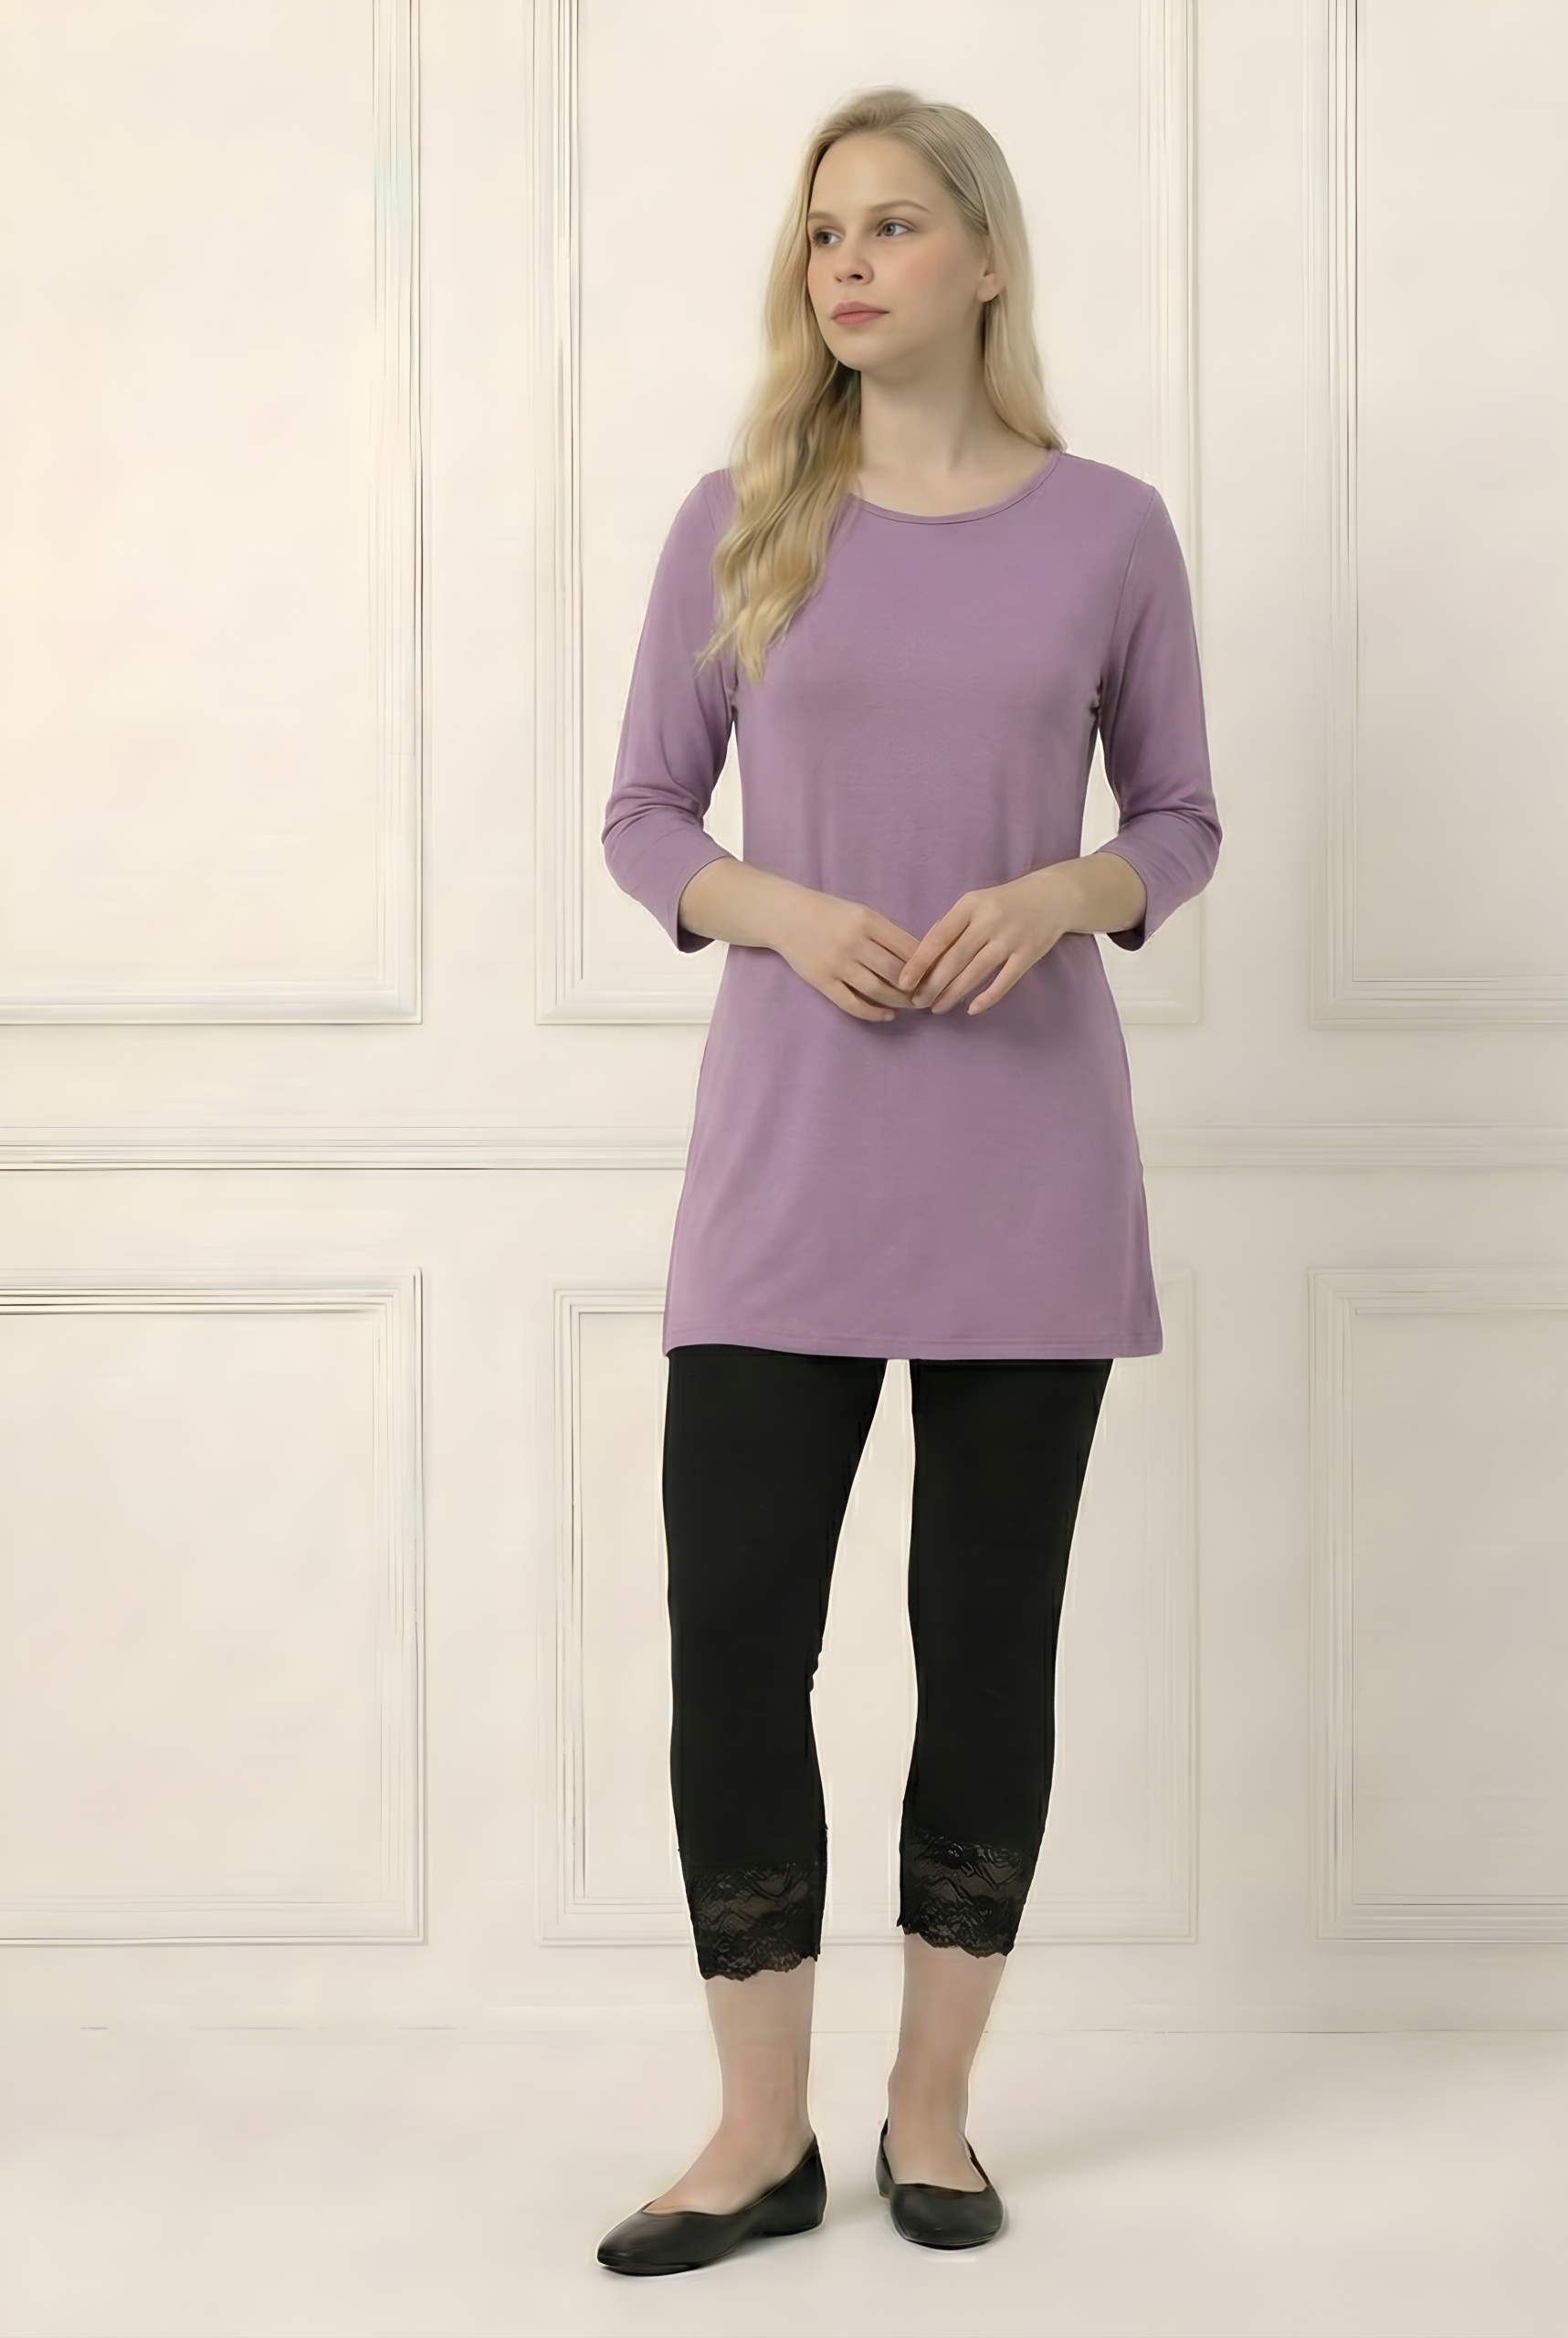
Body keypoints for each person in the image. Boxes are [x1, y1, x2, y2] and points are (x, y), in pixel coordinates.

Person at [594, 83, 1219, 2277]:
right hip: (786, 1174)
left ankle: (929, 2110)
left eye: (888, 226)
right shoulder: (743, 515)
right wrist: (772, 906)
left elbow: (1182, 819)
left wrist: (1066, 888)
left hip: (1025, 1176)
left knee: (984, 1651)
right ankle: (755, 2131)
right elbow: (645, 816)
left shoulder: (1111, 530)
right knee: (733, 1646)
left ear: (984, 259)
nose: (845, 264)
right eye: (821, 232)